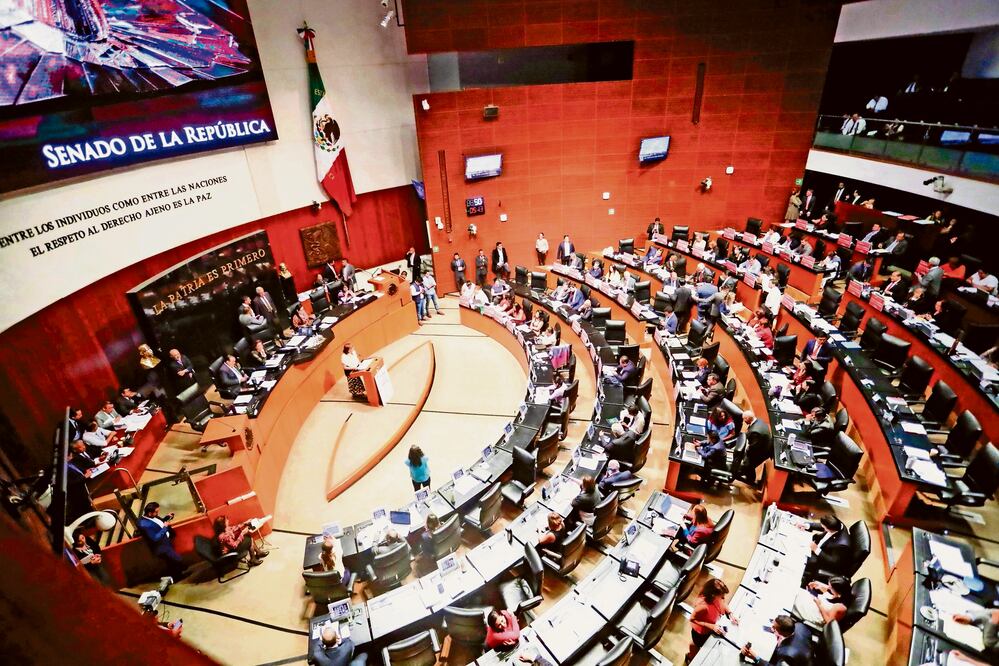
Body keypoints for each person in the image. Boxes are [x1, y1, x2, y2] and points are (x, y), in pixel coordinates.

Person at [687, 578, 737, 663]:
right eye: (721, 595)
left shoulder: (718, 598)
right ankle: (690, 658)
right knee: (696, 645)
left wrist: (730, 613)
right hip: (701, 633)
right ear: (713, 595)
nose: (723, 597)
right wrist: (712, 626)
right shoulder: (703, 606)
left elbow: (722, 603)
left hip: (712, 627)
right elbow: (692, 619)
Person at [137, 502, 185, 580]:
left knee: (172, 562)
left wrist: (166, 517)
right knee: (177, 560)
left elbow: (157, 524)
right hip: (162, 548)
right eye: (156, 512)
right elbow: (155, 537)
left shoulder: (152, 516)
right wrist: (165, 528)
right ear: (149, 513)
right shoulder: (144, 524)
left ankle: (177, 576)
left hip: (166, 543)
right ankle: (178, 577)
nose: (157, 513)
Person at [740, 615, 812, 666]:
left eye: (774, 628)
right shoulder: (800, 626)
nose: (771, 628)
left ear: (783, 633)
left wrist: (755, 657)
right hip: (806, 655)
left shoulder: (786, 654)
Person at [737, 410, 773, 487]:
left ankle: (751, 480)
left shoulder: (755, 431)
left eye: (744, 419)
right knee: (748, 463)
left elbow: (753, 448)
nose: (743, 421)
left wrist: (746, 452)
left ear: (748, 419)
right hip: (763, 446)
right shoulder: (759, 421)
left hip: (762, 451)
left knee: (749, 465)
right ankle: (748, 475)